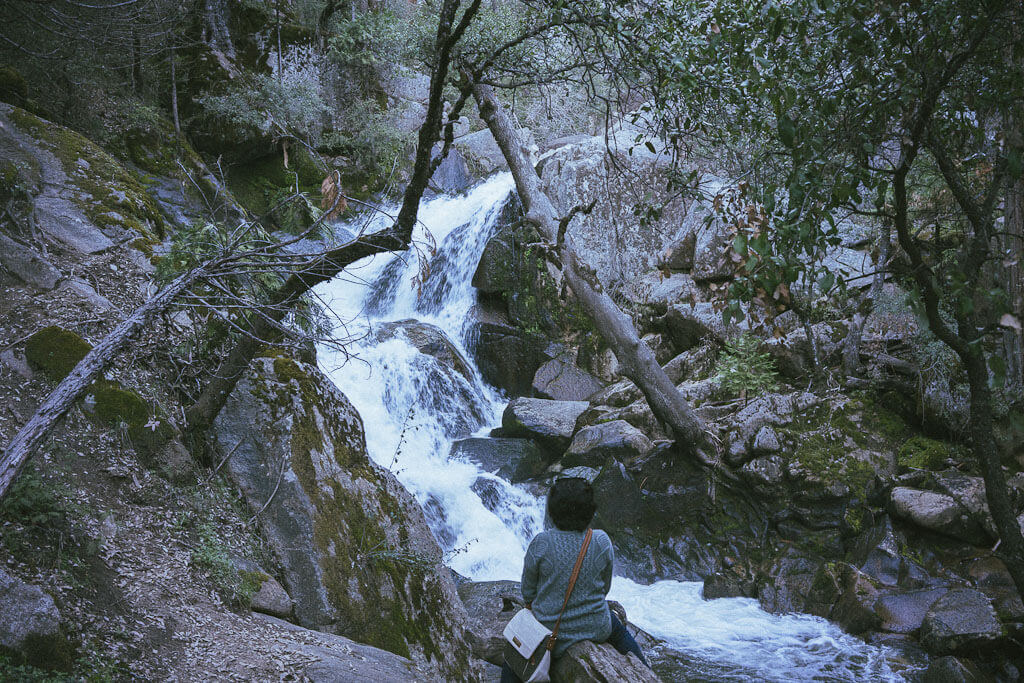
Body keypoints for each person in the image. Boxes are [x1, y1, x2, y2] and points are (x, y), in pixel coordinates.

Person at [500, 477, 647, 682]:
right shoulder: (601, 540)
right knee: (619, 631)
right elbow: (605, 588)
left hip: (548, 631)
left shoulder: (541, 542)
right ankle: (645, 672)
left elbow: (528, 592)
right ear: (590, 511)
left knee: (513, 658)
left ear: (551, 511)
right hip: (595, 625)